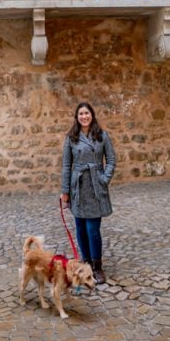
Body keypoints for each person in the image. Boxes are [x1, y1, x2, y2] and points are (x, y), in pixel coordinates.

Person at [61, 102, 116, 284]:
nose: (84, 116)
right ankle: (85, 263)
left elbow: (111, 159)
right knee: (81, 229)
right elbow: (66, 166)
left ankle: (97, 266)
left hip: (95, 186)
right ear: (77, 117)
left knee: (93, 229)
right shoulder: (71, 137)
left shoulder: (102, 136)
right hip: (77, 186)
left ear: (92, 115)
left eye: (87, 113)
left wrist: (104, 178)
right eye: (80, 114)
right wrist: (65, 191)